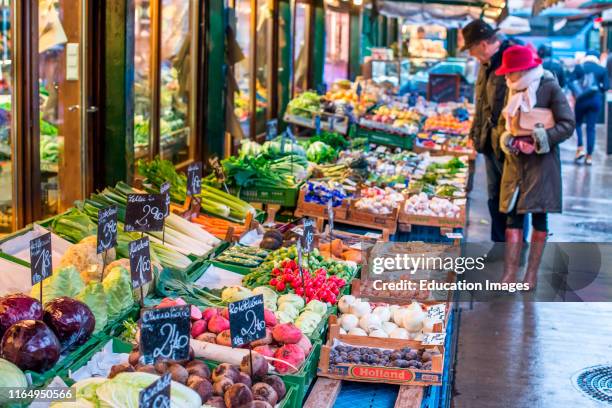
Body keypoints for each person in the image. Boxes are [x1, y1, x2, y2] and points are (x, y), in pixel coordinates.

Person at [495, 45, 575, 288]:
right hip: (515, 164)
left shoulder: (549, 86)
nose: (506, 77)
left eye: (510, 72)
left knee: (540, 217)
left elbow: (567, 124)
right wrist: (509, 140)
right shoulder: (511, 89)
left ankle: (530, 276)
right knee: (512, 216)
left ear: (523, 70)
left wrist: (538, 140)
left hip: (542, 166)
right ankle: (509, 274)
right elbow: (503, 124)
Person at [461, 20, 518, 243]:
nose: (473, 56)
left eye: (472, 50)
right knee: (494, 197)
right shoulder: (485, 66)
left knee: (511, 200)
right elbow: (482, 103)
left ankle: (514, 250)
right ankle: (498, 246)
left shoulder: (511, 59)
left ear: (483, 44)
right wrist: (475, 134)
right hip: (488, 143)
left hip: (508, 145)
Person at [572, 51, 609, 165]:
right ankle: (589, 156)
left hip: (581, 99)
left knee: (577, 123)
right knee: (591, 127)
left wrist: (576, 92)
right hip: (595, 100)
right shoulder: (602, 70)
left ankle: (580, 148)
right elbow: (607, 86)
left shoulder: (579, 67)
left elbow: (570, 82)